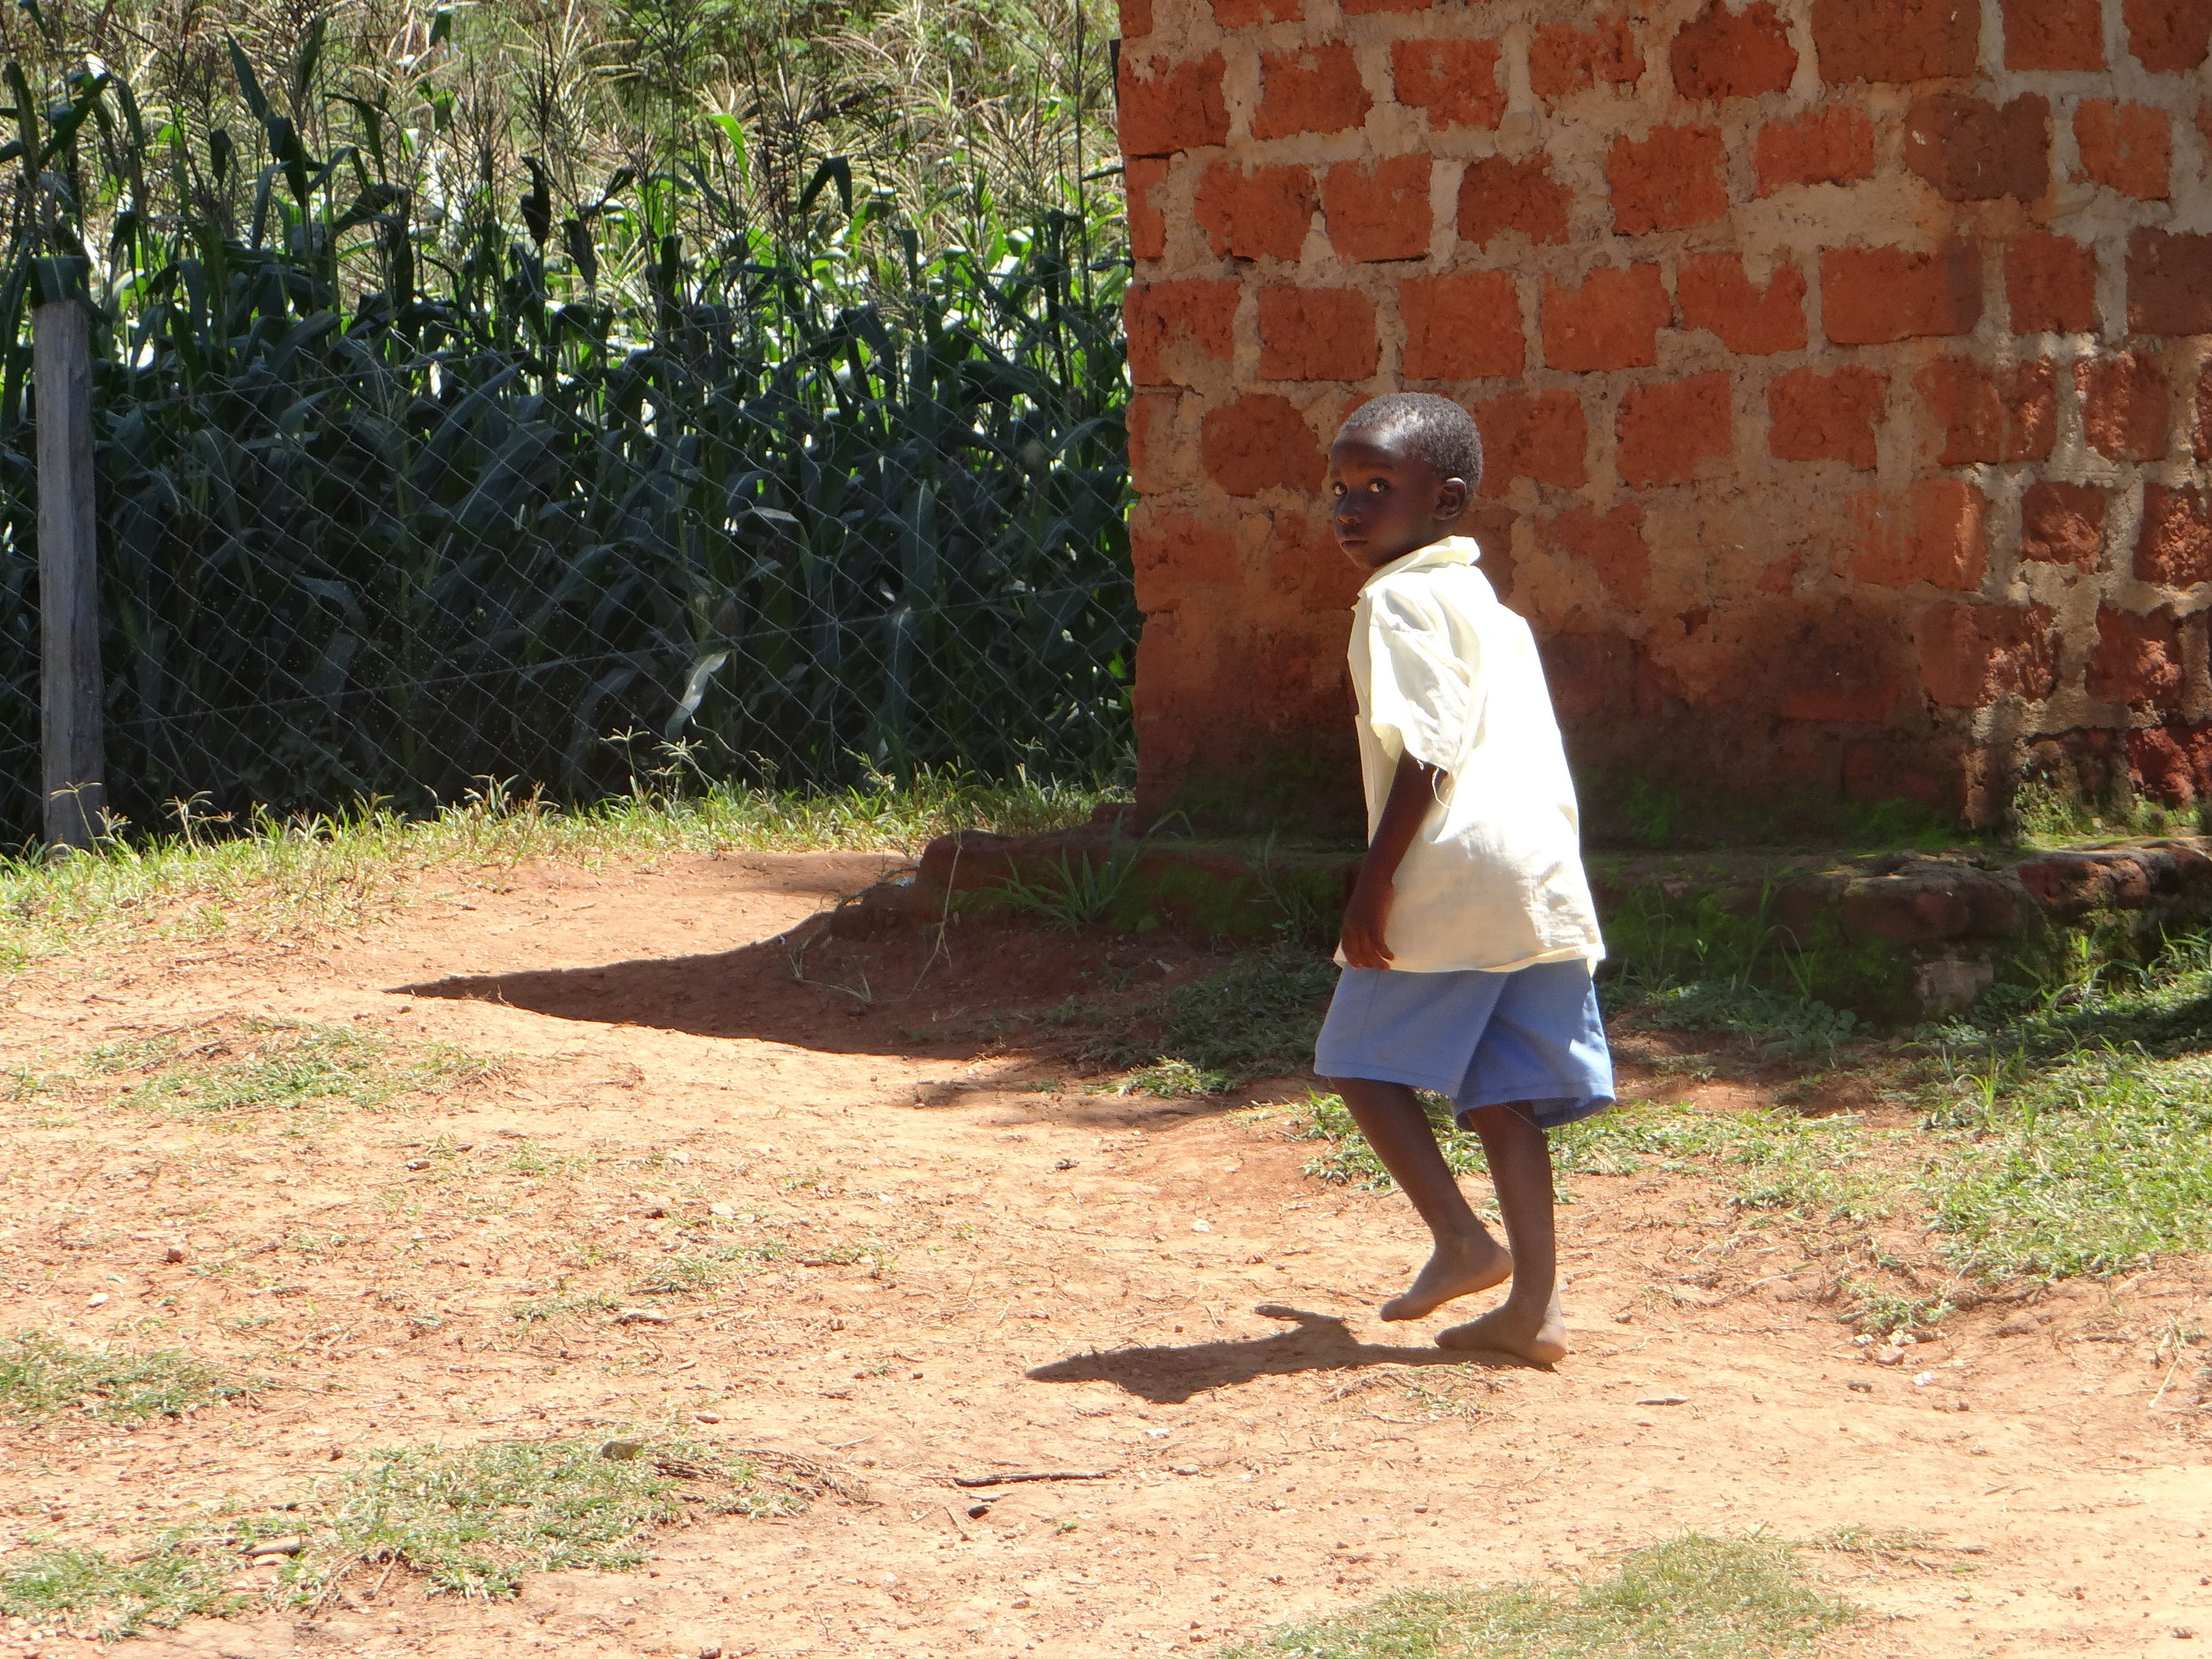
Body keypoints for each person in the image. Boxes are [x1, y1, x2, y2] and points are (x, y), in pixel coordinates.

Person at [1313, 392, 1611, 1365]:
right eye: (1340, 490)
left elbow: (1429, 750)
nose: (1350, 508)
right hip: (1538, 877)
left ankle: (1459, 1238)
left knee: (1357, 1060)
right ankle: (1533, 1308)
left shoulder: (1395, 600)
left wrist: (1373, 881)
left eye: (1376, 488)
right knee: (1501, 1093)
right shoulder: (1490, 607)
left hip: (1454, 871)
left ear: (1444, 501)